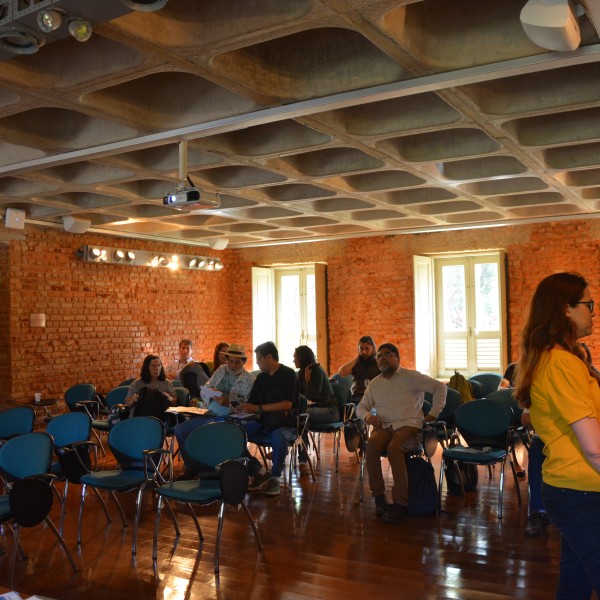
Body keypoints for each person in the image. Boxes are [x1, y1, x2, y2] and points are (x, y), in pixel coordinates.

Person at [514, 272, 600, 599]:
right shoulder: (561, 363)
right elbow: (593, 447)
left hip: (577, 488)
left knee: (575, 582)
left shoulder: (564, 359)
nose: (593, 311)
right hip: (579, 491)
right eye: (588, 304)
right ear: (566, 309)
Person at [356, 343, 446, 524]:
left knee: (394, 449)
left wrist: (432, 414)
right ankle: (380, 498)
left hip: (409, 426)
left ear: (398, 358)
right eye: (379, 356)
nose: (382, 358)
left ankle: (400, 504)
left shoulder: (411, 377)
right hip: (385, 426)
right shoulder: (375, 383)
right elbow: (361, 406)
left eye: (387, 354)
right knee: (371, 446)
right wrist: (367, 417)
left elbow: (440, 387)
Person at [173, 343, 255, 473]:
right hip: (209, 413)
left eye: (237, 362)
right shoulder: (222, 369)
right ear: (226, 360)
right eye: (231, 362)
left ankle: (206, 469)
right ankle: (192, 467)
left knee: (206, 432)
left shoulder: (249, 379)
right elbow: (206, 387)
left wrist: (227, 401)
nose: (233, 366)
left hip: (229, 418)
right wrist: (210, 391)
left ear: (243, 361)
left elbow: (246, 406)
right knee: (179, 429)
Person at [236, 341, 299, 497]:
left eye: (259, 358)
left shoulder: (289, 375)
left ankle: (275, 477)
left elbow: (287, 404)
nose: (257, 362)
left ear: (269, 357)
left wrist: (259, 408)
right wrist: (240, 407)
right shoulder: (261, 378)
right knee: (234, 434)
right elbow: (253, 403)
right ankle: (259, 470)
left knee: (279, 437)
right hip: (263, 422)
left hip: (284, 422)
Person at [293, 345, 338, 473]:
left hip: (330, 410)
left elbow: (313, 396)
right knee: (301, 420)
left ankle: (297, 451)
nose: (293, 360)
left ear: (302, 358)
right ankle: (302, 454)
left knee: (301, 415)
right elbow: (300, 395)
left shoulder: (316, 371)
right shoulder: (301, 372)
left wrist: (307, 380)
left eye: (295, 357)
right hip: (316, 410)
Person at [338, 335, 380, 403]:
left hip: (375, 398)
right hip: (358, 398)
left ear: (373, 349)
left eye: (367, 349)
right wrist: (358, 357)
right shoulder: (356, 363)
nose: (364, 352)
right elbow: (341, 373)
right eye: (361, 349)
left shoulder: (378, 363)